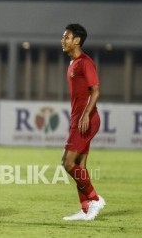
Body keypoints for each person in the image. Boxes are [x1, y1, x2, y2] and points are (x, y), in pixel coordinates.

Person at [60, 24, 105, 221]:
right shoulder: (72, 64)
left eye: (66, 37)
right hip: (78, 119)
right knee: (80, 165)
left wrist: (86, 114)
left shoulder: (85, 62)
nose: (63, 40)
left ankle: (95, 198)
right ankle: (86, 209)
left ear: (77, 40)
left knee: (67, 163)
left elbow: (95, 90)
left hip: (85, 120)